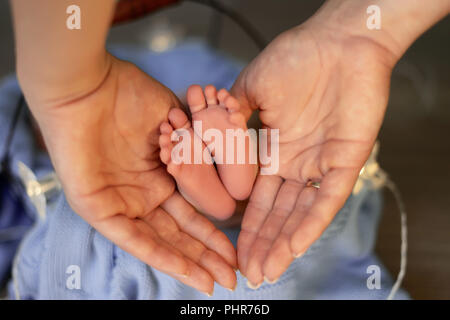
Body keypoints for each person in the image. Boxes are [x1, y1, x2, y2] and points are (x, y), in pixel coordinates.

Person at [8, 0, 448, 297]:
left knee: (224, 186)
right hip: (243, 181)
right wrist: (363, 33)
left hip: (161, 177)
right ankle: (222, 171)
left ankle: (215, 173)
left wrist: (73, 92)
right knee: (240, 193)